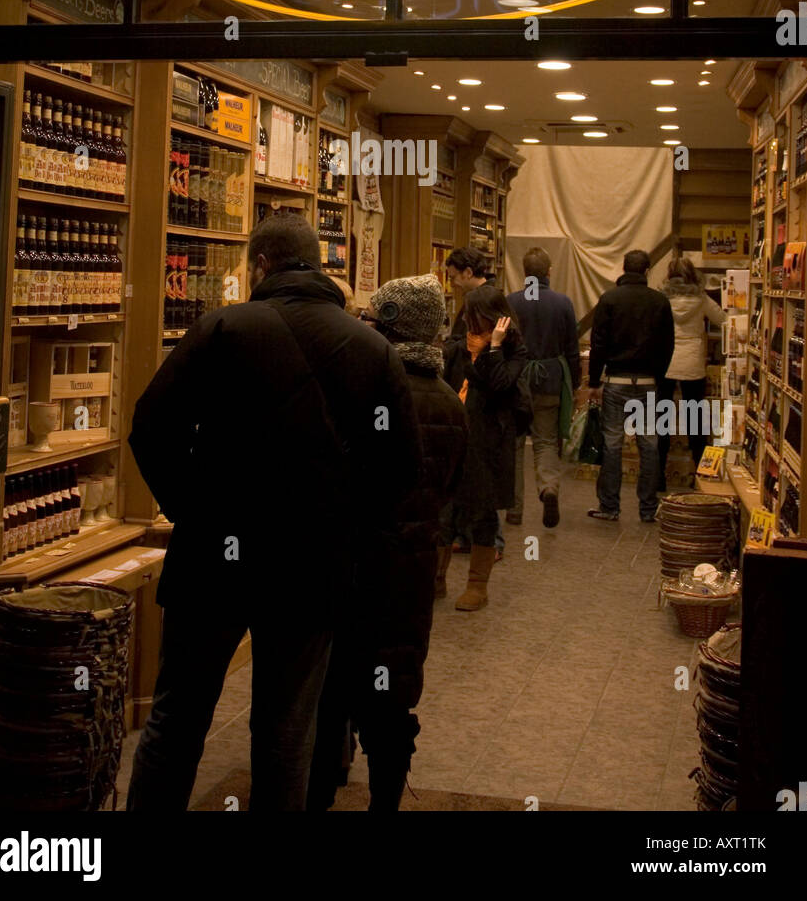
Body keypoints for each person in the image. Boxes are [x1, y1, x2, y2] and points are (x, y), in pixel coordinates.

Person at [126, 213, 421, 812]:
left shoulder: (223, 329)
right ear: (317, 263)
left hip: (214, 557)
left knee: (176, 720)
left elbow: (151, 428)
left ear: (260, 264)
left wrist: (192, 507)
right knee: (288, 734)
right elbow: (398, 472)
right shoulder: (374, 350)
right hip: (312, 568)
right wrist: (345, 529)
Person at [307, 274, 467, 812]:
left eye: (372, 319)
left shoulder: (360, 388)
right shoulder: (449, 401)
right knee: (390, 690)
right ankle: (383, 804)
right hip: (411, 569)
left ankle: (320, 793)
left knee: (333, 687)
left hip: (350, 560)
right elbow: (451, 488)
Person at [441, 285, 529, 610]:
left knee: (482, 509)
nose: (471, 324)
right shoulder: (457, 346)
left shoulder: (514, 351)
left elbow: (501, 386)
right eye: (469, 317)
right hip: (455, 437)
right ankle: (436, 578)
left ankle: (478, 585)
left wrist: (491, 349)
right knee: (444, 510)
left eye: (478, 318)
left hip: (489, 441)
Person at [587, 249, 675, 523]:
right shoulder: (660, 302)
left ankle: (610, 507)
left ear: (623, 269)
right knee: (649, 444)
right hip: (648, 382)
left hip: (616, 381)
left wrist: (593, 380)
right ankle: (648, 508)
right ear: (647, 271)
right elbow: (668, 345)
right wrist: (659, 378)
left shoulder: (609, 300)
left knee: (612, 443)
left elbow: (598, 343)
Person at [506, 246, 580, 529]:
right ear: (549, 272)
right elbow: (572, 350)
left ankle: (514, 510)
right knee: (546, 441)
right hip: (550, 378)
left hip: (518, 379)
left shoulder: (511, 301)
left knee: (514, 445)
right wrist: (572, 384)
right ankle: (548, 487)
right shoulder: (563, 303)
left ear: (525, 273)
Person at [657, 256, 727, 488]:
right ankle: (700, 475)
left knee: (662, 421)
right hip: (693, 363)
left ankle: (658, 476)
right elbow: (723, 320)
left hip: (665, 362)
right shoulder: (701, 298)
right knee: (696, 421)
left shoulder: (661, 299)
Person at [444, 246, 494, 346]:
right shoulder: (482, 296)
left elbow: (470, 346)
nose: (452, 284)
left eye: (453, 278)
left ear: (468, 272)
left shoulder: (483, 302)